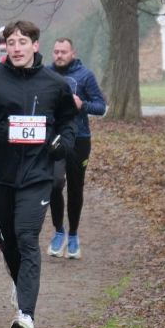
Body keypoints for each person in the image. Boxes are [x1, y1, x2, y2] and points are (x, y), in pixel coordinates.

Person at [0, 20, 77, 328]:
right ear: (5, 47)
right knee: (9, 242)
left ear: (35, 46)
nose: (16, 48)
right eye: (11, 42)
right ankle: (21, 287)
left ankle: (25, 314)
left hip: (37, 175)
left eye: (23, 42)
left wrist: (62, 144)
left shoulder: (54, 84)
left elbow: (69, 121)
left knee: (27, 237)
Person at [45, 37, 106, 260]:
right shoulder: (46, 74)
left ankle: (73, 235)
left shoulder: (85, 75)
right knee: (54, 183)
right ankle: (58, 231)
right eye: (56, 51)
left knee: (75, 188)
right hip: (55, 138)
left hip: (80, 139)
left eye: (63, 51)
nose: (59, 55)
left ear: (73, 53)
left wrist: (82, 105)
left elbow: (101, 107)